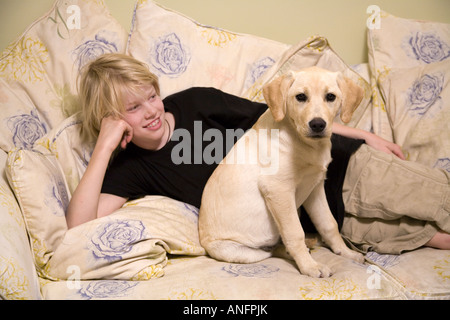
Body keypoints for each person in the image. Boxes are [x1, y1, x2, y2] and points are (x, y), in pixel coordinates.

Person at [66, 53, 450, 254]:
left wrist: (362, 135)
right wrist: (103, 146)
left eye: (151, 95)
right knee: (432, 238)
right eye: (133, 108)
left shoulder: (195, 102)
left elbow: (280, 113)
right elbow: (78, 229)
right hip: (321, 216)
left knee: (439, 198)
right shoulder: (132, 168)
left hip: (346, 167)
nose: (151, 110)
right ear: (111, 119)